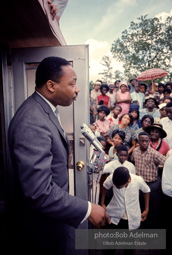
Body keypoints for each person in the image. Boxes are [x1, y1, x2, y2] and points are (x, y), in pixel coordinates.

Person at [7, 57, 106, 255]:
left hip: (51, 225)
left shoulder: (45, 111)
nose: (77, 89)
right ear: (51, 85)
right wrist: (87, 209)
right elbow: (39, 191)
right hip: (41, 233)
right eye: (72, 83)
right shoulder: (33, 120)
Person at [131, 132, 166, 228]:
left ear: (149, 141)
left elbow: (167, 162)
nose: (144, 143)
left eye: (147, 141)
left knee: (152, 209)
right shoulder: (135, 151)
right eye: (142, 141)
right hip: (139, 185)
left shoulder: (154, 153)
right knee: (140, 207)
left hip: (152, 185)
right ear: (138, 141)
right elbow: (133, 161)